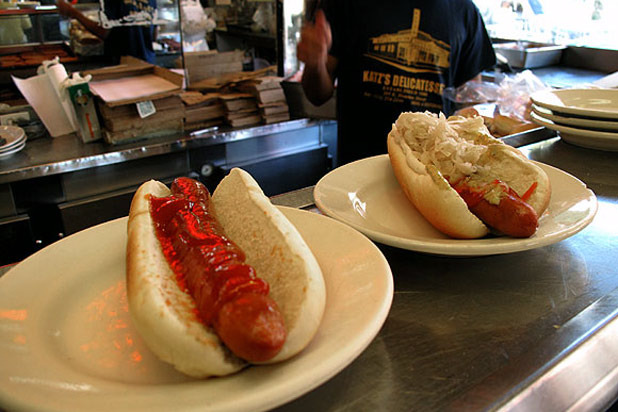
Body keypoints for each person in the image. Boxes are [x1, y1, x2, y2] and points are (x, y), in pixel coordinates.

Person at [297, 0, 497, 165]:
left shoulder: (465, 11)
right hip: (357, 169)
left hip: (433, 170)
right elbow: (316, 95)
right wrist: (315, 63)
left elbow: (471, 101)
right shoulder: (346, 4)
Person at [56, 0, 157, 64]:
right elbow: (154, 35)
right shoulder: (151, 1)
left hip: (123, 64)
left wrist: (74, 13)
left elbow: (103, 31)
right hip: (148, 61)